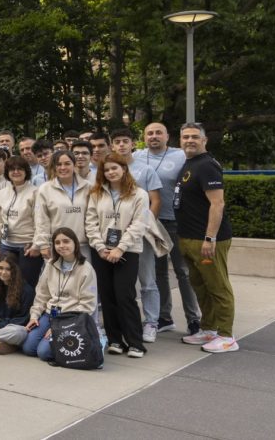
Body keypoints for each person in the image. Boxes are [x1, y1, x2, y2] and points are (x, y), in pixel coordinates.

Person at [176, 123, 238, 353]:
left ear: (204, 140)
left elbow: (217, 203)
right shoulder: (190, 163)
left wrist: (209, 238)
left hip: (207, 240)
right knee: (201, 286)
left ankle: (227, 336)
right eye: (185, 137)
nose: (189, 140)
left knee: (218, 286)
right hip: (189, 238)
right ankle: (209, 329)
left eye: (194, 137)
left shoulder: (207, 165)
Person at [135, 122, 201, 336]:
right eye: (150, 133)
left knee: (183, 271)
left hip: (175, 221)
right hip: (149, 223)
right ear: (144, 137)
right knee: (159, 272)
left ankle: (194, 319)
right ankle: (164, 317)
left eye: (158, 133)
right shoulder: (137, 156)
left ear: (167, 136)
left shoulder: (180, 156)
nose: (154, 136)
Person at [85, 152, 148, 357]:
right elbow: (91, 223)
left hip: (127, 251)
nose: (111, 172)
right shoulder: (96, 194)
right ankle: (114, 340)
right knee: (107, 296)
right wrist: (100, 247)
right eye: (107, 169)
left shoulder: (139, 194)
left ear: (124, 169)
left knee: (125, 295)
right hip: (101, 252)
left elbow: (139, 224)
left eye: (115, 168)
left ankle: (135, 342)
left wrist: (120, 248)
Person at [110, 128, 165, 343]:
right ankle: (124, 321)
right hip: (115, 236)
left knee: (148, 280)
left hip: (140, 235)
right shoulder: (109, 170)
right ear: (112, 145)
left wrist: (145, 226)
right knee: (123, 284)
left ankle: (151, 321)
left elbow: (156, 200)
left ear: (133, 144)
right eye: (117, 141)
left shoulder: (145, 170)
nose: (121, 145)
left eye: (125, 141)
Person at [23, 227, 98, 361]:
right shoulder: (50, 264)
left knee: (43, 353)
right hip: (50, 314)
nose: (61, 246)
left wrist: (60, 328)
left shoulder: (86, 269)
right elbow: (42, 295)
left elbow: (87, 305)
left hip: (70, 318)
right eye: (57, 243)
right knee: (29, 348)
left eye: (66, 241)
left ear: (75, 243)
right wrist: (34, 316)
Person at [32, 150, 92, 264]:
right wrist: (43, 244)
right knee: (59, 281)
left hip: (82, 245)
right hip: (58, 246)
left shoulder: (88, 187)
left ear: (74, 165)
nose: (63, 167)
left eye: (67, 163)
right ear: (54, 167)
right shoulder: (45, 189)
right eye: (59, 164)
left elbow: (93, 218)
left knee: (84, 280)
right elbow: (41, 219)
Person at [0, 156, 41, 287]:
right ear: (7, 172)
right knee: (5, 283)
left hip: (27, 246)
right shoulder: (2, 194)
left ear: (26, 171)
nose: (16, 172)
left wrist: (36, 244)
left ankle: (27, 308)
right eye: (12, 169)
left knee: (26, 284)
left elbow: (40, 222)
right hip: (6, 244)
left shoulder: (36, 193)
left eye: (20, 169)